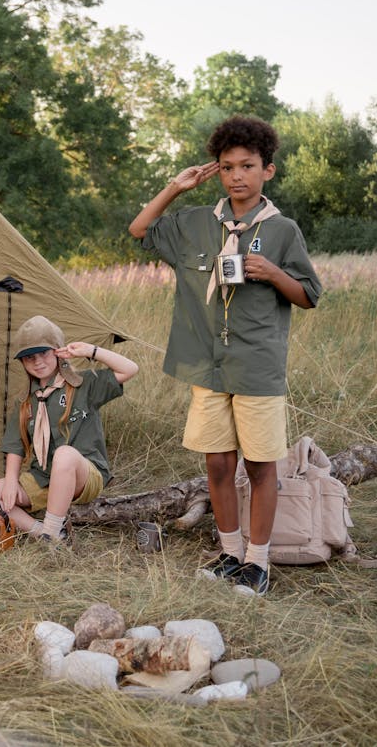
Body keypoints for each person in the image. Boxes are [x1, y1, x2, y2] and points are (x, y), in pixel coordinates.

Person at [128, 115, 322, 595]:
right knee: (217, 464)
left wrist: (274, 273)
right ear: (217, 170)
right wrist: (176, 187)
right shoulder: (195, 224)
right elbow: (139, 229)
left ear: (267, 171)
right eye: (228, 166)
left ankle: (258, 563)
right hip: (206, 364)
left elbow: (309, 294)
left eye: (248, 166)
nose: (238, 175)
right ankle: (230, 553)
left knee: (259, 466)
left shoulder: (282, 230)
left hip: (256, 365)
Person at [0, 315, 138, 548]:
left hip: (85, 474)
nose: (38, 362)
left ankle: (51, 532)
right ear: (23, 362)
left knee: (64, 454)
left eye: (44, 353)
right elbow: (14, 447)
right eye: (30, 357)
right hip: (44, 478)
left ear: (58, 352)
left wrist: (89, 351)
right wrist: (11, 482)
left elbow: (131, 369)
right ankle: (40, 531)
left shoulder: (84, 384)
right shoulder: (26, 401)